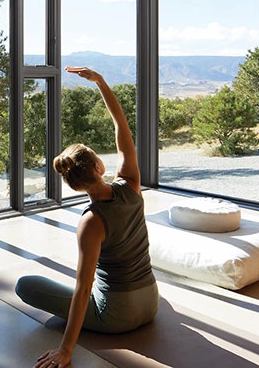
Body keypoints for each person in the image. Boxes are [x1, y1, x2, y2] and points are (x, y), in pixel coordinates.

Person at [15, 66, 158, 368]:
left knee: (26, 285)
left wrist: (66, 350)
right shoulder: (130, 184)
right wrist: (101, 82)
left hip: (118, 316)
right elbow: (121, 126)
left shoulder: (91, 221)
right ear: (97, 167)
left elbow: (83, 288)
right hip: (151, 301)